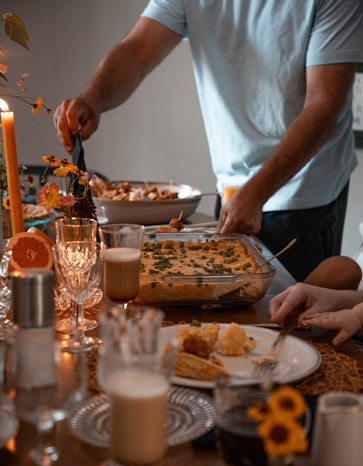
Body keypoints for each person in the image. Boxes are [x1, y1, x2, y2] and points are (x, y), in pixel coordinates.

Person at [53, 1, 363, 281]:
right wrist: (93, 98)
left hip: (305, 189)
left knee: (295, 326)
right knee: (228, 310)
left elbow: (324, 106)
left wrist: (256, 192)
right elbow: (137, 50)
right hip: (233, 189)